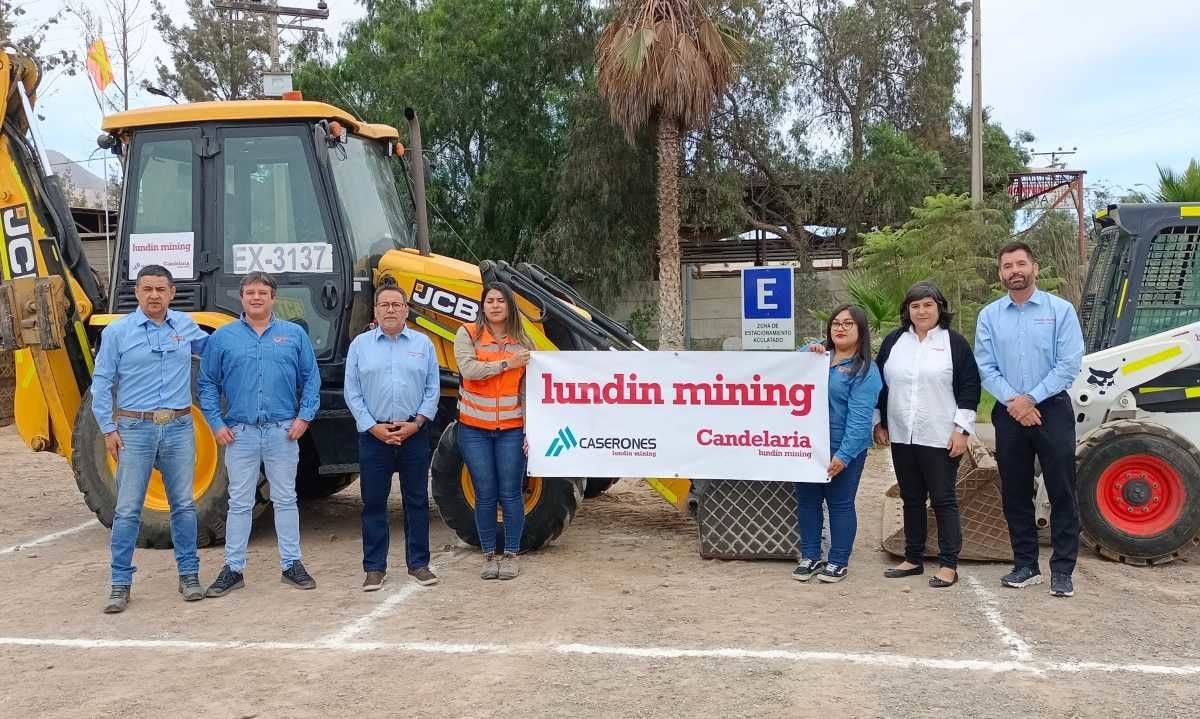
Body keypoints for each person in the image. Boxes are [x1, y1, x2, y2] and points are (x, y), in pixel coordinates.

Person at [90, 265, 209, 613]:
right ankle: (120, 584)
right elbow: (101, 384)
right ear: (137, 293)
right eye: (147, 289)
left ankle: (189, 576)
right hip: (134, 431)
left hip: (178, 427)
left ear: (172, 293)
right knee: (127, 510)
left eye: (161, 289)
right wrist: (107, 429)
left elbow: (220, 349)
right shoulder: (117, 333)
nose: (154, 295)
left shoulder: (186, 327)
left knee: (184, 506)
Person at [198, 272, 320, 597]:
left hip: (283, 432)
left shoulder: (294, 335)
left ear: (273, 298)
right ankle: (233, 569)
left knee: (285, 499)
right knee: (239, 502)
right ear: (242, 297)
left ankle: (292, 564)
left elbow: (310, 378)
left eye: (262, 292)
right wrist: (216, 422)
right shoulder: (223, 338)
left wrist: (304, 418)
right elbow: (207, 382)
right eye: (250, 292)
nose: (256, 297)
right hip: (241, 434)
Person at [975, 241, 1084, 598]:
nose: (1014, 271)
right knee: (1015, 492)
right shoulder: (990, 316)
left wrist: (1031, 398)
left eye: (1020, 263)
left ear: (1034, 268)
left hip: (1051, 409)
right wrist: (1015, 401)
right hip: (1009, 413)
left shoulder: (1060, 310)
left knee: (1062, 489)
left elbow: (1069, 363)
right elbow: (985, 366)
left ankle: (1063, 570)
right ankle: (1025, 565)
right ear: (1001, 273)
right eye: (1007, 266)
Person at [874, 282, 980, 588]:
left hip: (940, 435)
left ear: (939, 308)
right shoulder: (895, 341)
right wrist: (879, 421)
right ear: (908, 310)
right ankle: (913, 558)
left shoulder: (954, 343)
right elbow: (880, 383)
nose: (921, 311)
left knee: (944, 500)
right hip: (902, 435)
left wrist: (961, 430)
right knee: (911, 499)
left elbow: (970, 387)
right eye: (915, 305)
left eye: (928, 305)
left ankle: (949, 564)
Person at [344, 282, 440, 591]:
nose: (390, 310)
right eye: (384, 305)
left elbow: (432, 389)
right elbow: (353, 392)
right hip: (375, 435)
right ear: (375, 311)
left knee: (416, 501)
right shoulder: (360, 345)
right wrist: (372, 427)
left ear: (406, 310)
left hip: (414, 433)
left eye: (396, 305)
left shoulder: (423, 344)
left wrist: (417, 423)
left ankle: (419, 564)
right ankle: (374, 568)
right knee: (373, 502)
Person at [793, 305, 883, 583]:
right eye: (835, 323)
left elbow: (860, 418)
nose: (840, 328)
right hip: (807, 446)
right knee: (807, 503)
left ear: (860, 330)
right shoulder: (817, 357)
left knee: (840, 505)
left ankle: (838, 560)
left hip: (843, 448)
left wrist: (843, 455)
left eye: (848, 324)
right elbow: (783, 373)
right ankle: (810, 556)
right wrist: (807, 352)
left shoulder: (865, 370)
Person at [454, 282, 534, 581]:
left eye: (501, 300)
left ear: (509, 306)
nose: (495, 305)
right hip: (474, 428)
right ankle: (488, 555)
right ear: (482, 305)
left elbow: (528, 390)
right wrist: (506, 363)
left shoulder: (523, 340)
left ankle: (511, 554)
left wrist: (530, 430)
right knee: (485, 493)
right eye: (490, 300)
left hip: (511, 429)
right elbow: (469, 370)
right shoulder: (468, 334)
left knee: (511, 493)